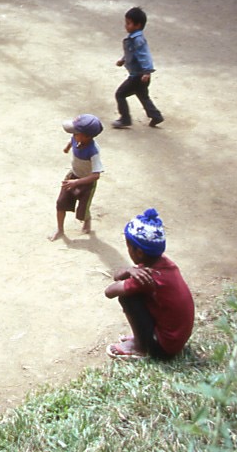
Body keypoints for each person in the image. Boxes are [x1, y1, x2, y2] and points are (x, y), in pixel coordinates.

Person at [104, 208, 194, 360]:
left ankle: (140, 346)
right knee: (136, 294)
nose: (128, 250)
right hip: (175, 339)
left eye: (128, 246)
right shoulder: (162, 263)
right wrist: (130, 270)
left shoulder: (148, 276)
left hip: (164, 348)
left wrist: (130, 272)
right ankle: (142, 337)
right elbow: (117, 276)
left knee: (128, 298)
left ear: (139, 252)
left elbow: (109, 292)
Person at [49, 114, 103, 240]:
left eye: (75, 133)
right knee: (61, 203)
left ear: (87, 136)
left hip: (87, 183)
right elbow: (71, 140)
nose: (73, 135)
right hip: (72, 176)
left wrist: (77, 182)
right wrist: (67, 147)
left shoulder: (93, 151)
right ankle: (60, 229)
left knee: (82, 211)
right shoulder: (76, 138)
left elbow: (96, 175)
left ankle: (87, 219)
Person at [113, 7, 164, 128]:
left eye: (128, 23)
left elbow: (144, 56)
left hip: (138, 76)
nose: (126, 26)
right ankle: (156, 116)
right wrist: (123, 60)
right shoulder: (133, 39)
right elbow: (131, 53)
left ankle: (125, 119)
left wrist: (147, 72)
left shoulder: (138, 40)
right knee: (142, 96)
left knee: (120, 94)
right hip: (140, 76)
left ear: (138, 25)